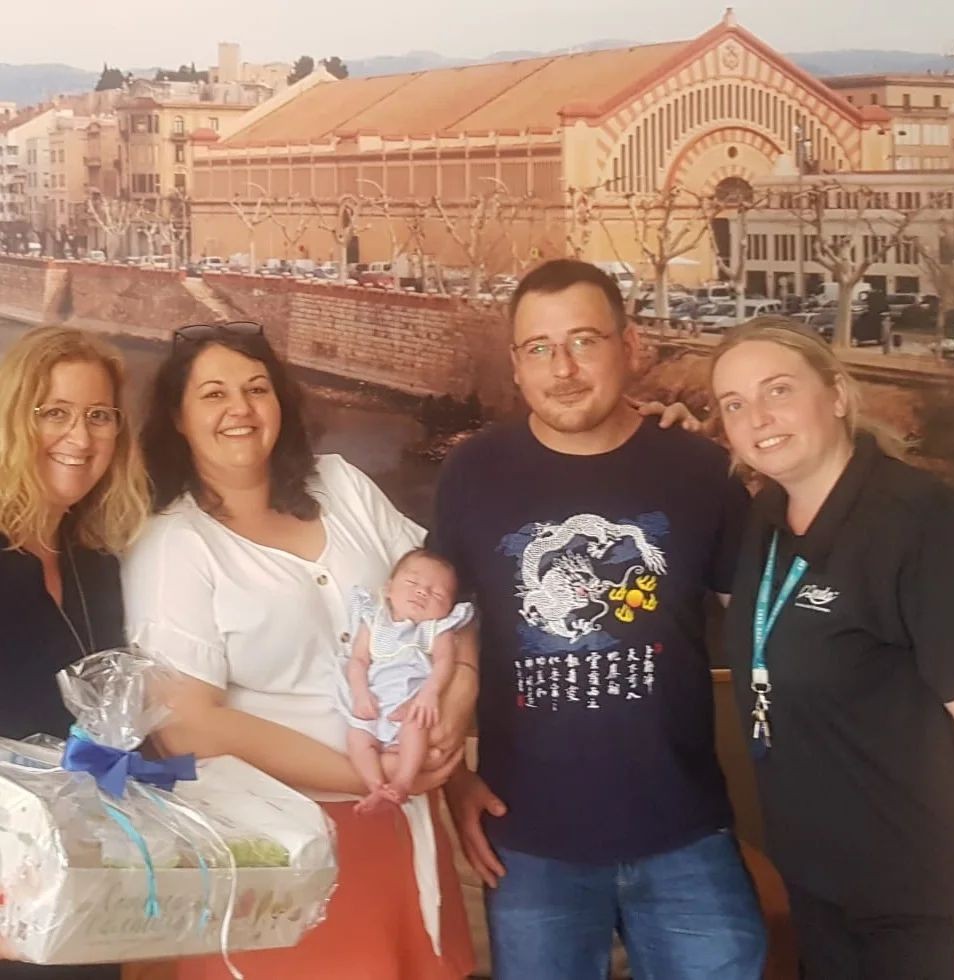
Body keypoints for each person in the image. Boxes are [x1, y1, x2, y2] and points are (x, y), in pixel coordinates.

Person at [431, 260, 767, 980]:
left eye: (584, 341)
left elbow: (765, 624)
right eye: (539, 348)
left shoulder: (699, 469)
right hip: (529, 842)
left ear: (630, 345)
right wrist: (453, 777)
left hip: (686, 832)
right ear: (516, 364)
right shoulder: (472, 472)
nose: (563, 370)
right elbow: (443, 636)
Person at [121, 321, 476, 980]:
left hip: (403, 830)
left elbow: (445, 602)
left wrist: (459, 696)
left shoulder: (343, 487)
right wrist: (367, 778)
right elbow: (186, 727)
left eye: (257, 388)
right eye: (213, 394)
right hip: (277, 852)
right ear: (176, 418)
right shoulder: (172, 547)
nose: (240, 408)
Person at [710, 316, 954, 980]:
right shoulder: (766, 520)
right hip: (819, 892)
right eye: (734, 404)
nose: (758, 417)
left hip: (922, 904)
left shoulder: (923, 524)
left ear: (835, 394)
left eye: (778, 390)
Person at [0, 325, 148, 980]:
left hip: (77, 890)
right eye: (55, 413)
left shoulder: (98, 564)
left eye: (99, 416)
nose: (80, 439)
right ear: (15, 419)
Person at [338, 548, 474, 813]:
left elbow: (445, 663)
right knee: (357, 737)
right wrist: (361, 694)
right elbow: (358, 661)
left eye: (437, 594)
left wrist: (429, 694)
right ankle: (375, 785)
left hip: (412, 702)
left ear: (448, 608)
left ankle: (402, 782)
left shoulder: (436, 629)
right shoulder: (374, 621)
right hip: (374, 702)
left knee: (416, 727)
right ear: (389, 589)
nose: (422, 592)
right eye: (412, 582)